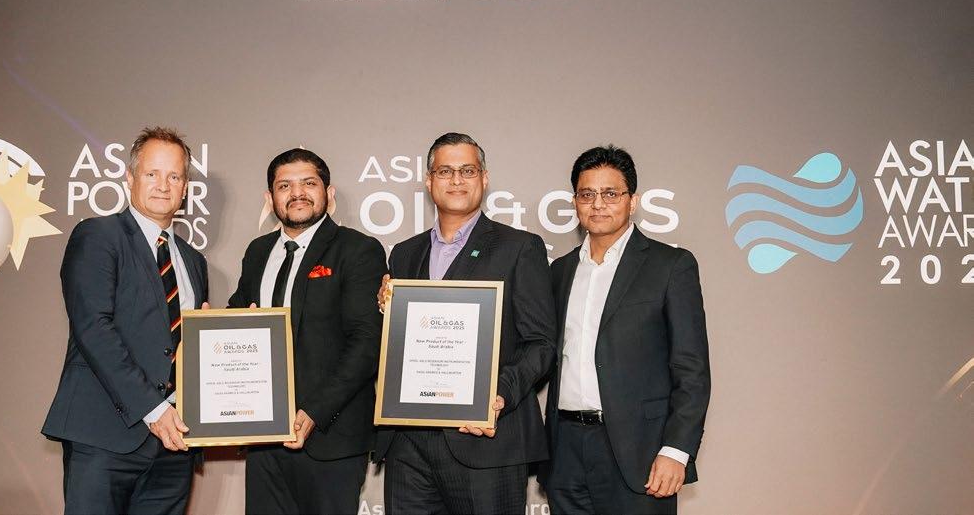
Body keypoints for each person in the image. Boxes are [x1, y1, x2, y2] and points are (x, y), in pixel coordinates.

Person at [375, 132, 556, 515]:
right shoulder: (404, 254)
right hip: (408, 443)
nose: (456, 180)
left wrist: (498, 395)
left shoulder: (519, 248)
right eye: (445, 171)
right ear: (429, 181)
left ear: (484, 179)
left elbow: (541, 343)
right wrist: (386, 313)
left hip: (486, 441)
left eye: (467, 170)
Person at [42, 126, 208, 515]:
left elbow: (189, 347)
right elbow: (94, 328)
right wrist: (154, 409)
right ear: (130, 178)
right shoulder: (98, 235)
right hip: (106, 435)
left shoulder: (193, 261)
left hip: (174, 444)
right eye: (152, 173)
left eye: (174, 176)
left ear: (185, 188)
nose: (163, 185)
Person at [541, 146, 710, 514]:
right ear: (575, 202)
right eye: (587, 194)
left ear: (632, 201)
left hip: (640, 452)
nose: (598, 204)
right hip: (565, 450)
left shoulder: (670, 266)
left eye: (610, 193)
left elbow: (691, 369)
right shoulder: (560, 271)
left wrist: (676, 450)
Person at [227, 148, 386, 515]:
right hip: (264, 437)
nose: (297, 193)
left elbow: (367, 342)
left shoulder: (357, 249)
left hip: (330, 438)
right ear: (270, 198)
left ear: (328, 193)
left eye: (308, 183)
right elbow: (239, 316)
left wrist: (314, 411)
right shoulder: (257, 252)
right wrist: (218, 328)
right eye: (285, 185)